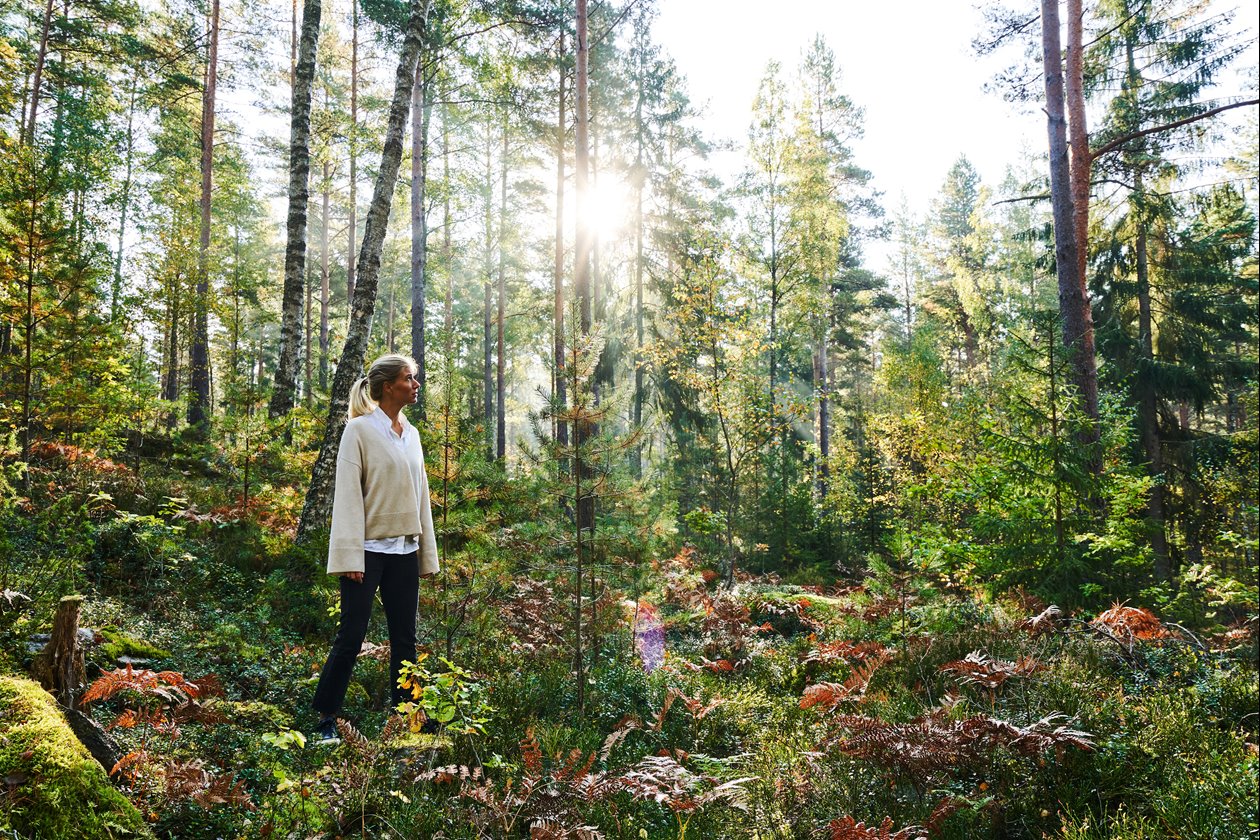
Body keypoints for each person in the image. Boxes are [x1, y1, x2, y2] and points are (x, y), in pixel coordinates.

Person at [311, 354, 438, 744]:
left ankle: (409, 717)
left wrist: (426, 554)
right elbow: (348, 495)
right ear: (388, 386)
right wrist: (350, 555)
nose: (415, 385)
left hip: (404, 551)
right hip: (366, 552)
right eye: (409, 378)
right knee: (351, 636)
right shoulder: (359, 430)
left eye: (414, 379)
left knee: (406, 638)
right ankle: (325, 718)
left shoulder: (411, 434)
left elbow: (421, 497)